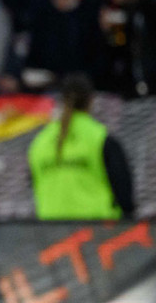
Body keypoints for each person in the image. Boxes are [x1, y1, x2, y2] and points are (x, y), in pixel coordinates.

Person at [28, 74, 133, 219]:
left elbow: (34, 187)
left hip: (50, 233)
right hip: (98, 231)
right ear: (91, 101)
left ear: (61, 101)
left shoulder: (39, 142)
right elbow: (124, 194)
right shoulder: (101, 138)